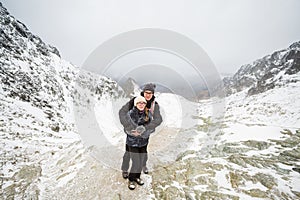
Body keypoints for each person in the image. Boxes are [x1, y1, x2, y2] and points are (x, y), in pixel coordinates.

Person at [119, 83, 162, 179]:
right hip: (132, 134)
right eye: (146, 92)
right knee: (128, 152)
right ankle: (125, 169)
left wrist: (146, 128)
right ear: (143, 92)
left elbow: (158, 119)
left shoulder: (154, 105)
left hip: (145, 134)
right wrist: (128, 127)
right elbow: (122, 112)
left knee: (143, 151)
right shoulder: (135, 101)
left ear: (153, 94)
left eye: (150, 93)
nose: (148, 95)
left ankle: (143, 165)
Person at [124, 96, 153, 190]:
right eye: (139, 103)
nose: (141, 105)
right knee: (136, 162)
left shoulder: (148, 114)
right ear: (136, 104)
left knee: (141, 161)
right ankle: (131, 179)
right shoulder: (130, 114)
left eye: (143, 103)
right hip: (132, 143)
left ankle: (137, 177)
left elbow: (151, 128)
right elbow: (126, 129)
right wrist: (134, 132)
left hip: (143, 142)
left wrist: (142, 131)